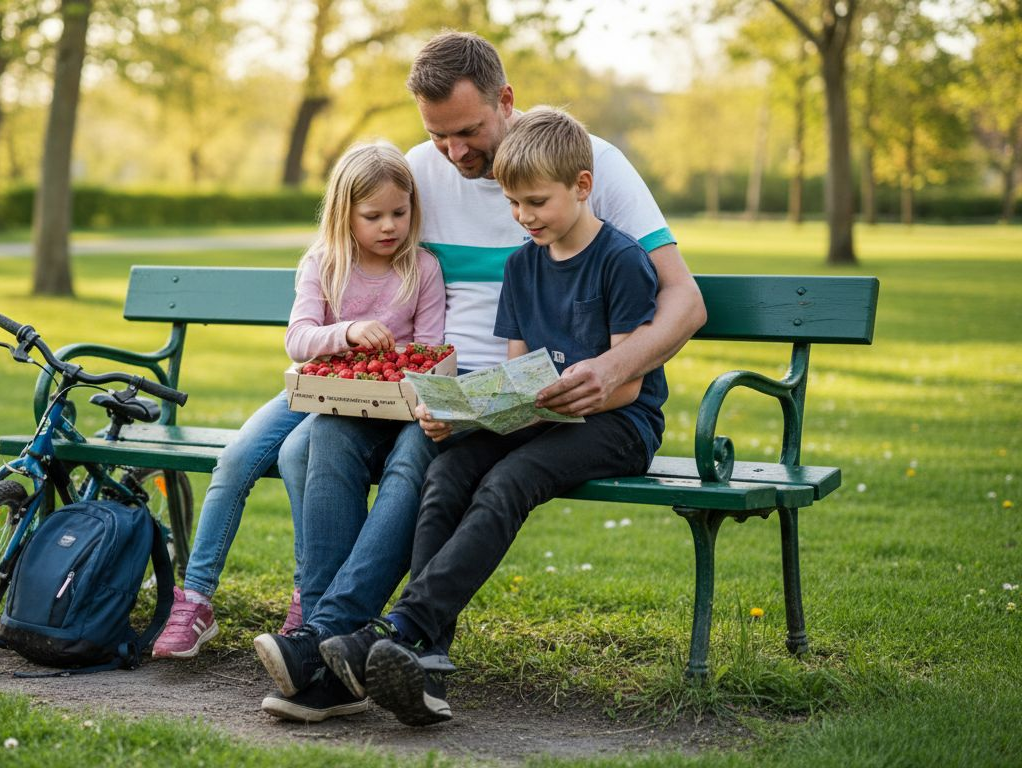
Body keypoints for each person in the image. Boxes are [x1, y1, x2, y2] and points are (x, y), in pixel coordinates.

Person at [256, 31, 706, 721]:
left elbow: (685, 300)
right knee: (325, 438)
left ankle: (345, 647)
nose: (454, 153)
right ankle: (345, 646)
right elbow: (357, 263)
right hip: (451, 385)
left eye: (467, 132)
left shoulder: (587, 165)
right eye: (437, 135)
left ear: (506, 100)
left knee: (429, 461)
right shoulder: (422, 176)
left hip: (557, 401)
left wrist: (612, 369)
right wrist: (361, 346)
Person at [324, 106, 668, 725]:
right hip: (544, 416)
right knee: (446, 473)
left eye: (536, 202)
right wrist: (465, 417)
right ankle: (424, 669)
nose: (524, 217)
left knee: (510, 480)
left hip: (618, 423)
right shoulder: (522, 265)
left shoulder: (619, 260)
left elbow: (626, 386)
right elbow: (517, 381)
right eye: (513, 204)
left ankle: (403, 629)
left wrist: (559, 395)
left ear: (582, 186)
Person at [151, 142, 445, 660]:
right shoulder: (324, 263)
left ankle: (308, 594)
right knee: (235, 459)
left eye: (399, 213)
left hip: (370, 402)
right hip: (314, 387)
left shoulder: (421, 269)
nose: (389, 226)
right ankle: (195, 597)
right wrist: (347, 332)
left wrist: (395, 364)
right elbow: (298, 338)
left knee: (297, 455)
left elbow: (428, 350)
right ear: (344, 213)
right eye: (373, 216)